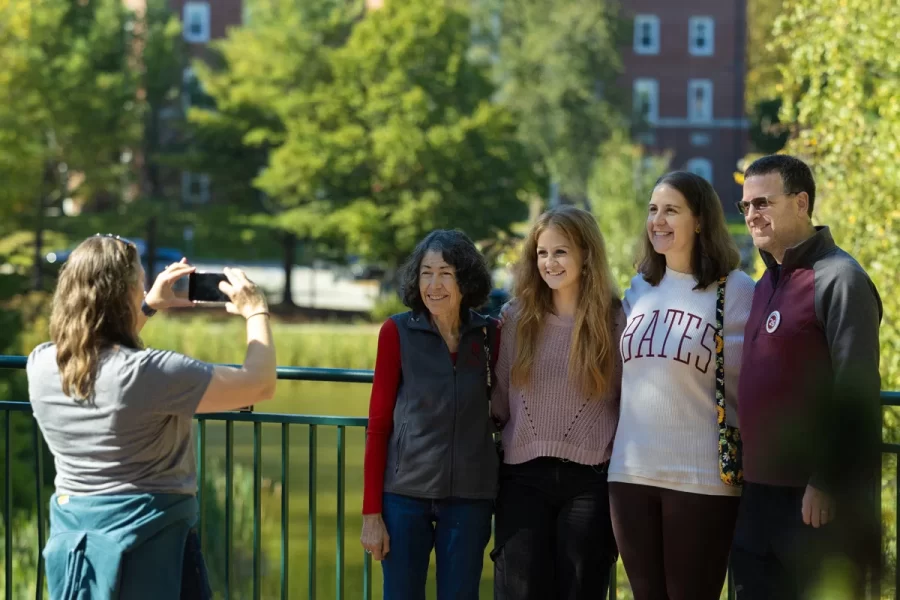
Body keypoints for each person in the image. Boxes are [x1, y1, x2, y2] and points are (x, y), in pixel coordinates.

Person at [27, 234, 277, 600]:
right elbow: (259, 384)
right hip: (155, 544)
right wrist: (256, 310)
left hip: (78, 545)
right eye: (140, 281)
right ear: (126, 292)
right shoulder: (151, 373)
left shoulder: (42, 363)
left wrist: (146, 307)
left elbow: (96, 350)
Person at [731, 154, 882, 599]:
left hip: (812, 503)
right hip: (756, 498)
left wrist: (827, 481)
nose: (752, 215)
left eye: (763, 202)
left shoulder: (840, 278)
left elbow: (855, 391)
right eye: (745, 206)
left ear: (801, 202)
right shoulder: (765, 283)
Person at [607, 171, 756, 600]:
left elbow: (751, 383)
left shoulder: (736, 290)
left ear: (700, 221)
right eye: (653, 210)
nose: (658, 220)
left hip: (703, 479)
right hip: (630, 474)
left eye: (671, 210)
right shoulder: (639, 288)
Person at [490, 205, 623, 599]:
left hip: (592, 482)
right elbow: (500, 400)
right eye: (542, 253)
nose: (549, 262)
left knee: (582, 588)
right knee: (520, 589)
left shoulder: (615, 321)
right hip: (522, 479)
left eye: (560, 251)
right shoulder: (516, 318)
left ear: (586, 254)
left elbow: (627, 398)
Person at [359, 229, 499, 600]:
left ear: (465, 279)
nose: (434, 285)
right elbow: (377, 427)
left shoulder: (489, 336)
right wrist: (371, 514)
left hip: (469, 499)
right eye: (426, 272)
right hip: (404, 498)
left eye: (445, 273)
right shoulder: (396, 332)